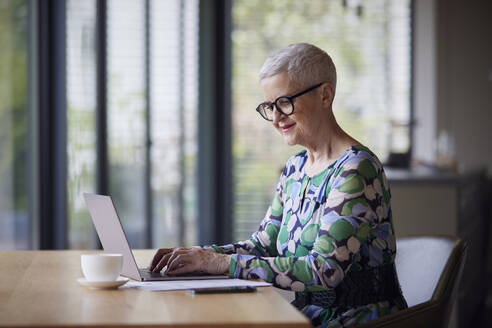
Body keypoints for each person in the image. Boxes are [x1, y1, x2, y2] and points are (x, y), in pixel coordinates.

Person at [150, 43, 407, 327]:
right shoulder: (296, 167)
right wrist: (198, 256)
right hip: (303, 315)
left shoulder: (356, 168)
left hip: (355, 319)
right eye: (269, 106)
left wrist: (220, 263)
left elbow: (324, 270)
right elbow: (263, 245)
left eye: (284, 103)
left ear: (325, 95)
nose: (275, 118)